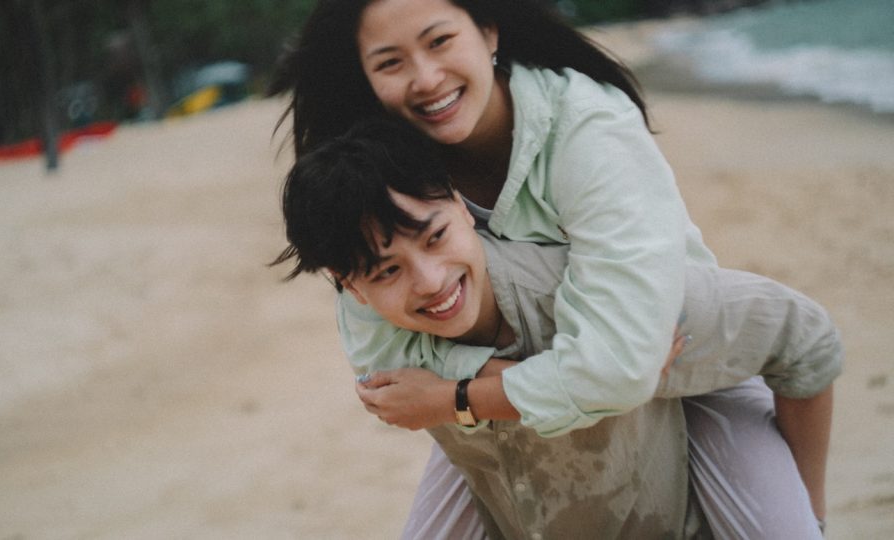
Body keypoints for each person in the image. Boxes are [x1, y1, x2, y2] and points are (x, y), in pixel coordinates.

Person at [269, 0, 839, 534]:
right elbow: (385, 366)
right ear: (367, 78)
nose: (424, 77)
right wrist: (584, 370)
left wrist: (454, 397)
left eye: (440, 41)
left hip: (685, 362)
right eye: (391, 63)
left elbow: (623, 362)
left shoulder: (587, 126)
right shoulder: (384, 174)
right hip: (542, 393)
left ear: (488, 30)